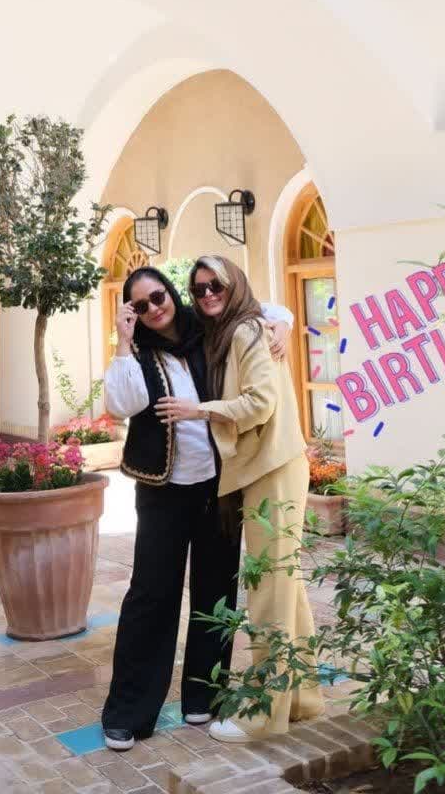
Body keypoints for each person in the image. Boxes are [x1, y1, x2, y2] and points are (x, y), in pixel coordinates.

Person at [100, 265, 293, 751]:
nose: (153, 308)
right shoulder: (137, 353)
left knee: (216, 592)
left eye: (158, 296)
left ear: (171, 292)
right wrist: (123, 341)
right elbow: (121, 403)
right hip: (162, 491)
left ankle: (205, 695)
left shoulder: (207, 329)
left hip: (218, 487)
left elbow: (258, 307)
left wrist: (283, 323)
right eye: (140, 305)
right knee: (151, 595)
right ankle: (128, 711)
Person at [155, 254, 325, 743]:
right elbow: (269, 310)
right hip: (270, 466)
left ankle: (265, 714)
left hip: (273, 467)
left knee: (269, 589)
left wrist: (197, 410)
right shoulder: (236, 327)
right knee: (284, 585)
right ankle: (302, 697)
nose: (208, 294)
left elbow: (260, 402)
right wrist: (282, 318)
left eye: (217, 285)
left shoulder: (247, 330)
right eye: (199, 288)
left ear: (234, 286)